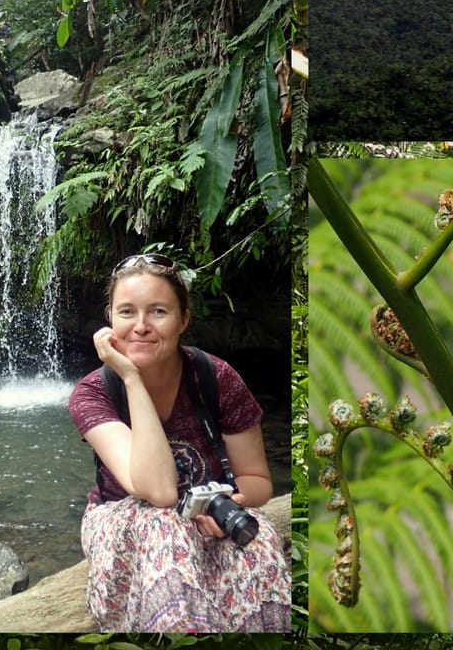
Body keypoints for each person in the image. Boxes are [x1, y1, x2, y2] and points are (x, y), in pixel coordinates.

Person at [68, 253, 289, 632]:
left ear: (183, 319)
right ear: (110, 320)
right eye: (127, 312)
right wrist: (131, 378)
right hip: (128, 518)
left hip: (211, 515)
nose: (141, 326)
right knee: (166, 529)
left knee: (259, 544)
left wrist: (229, 504)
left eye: (158, 312)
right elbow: (159, 492)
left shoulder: (216, 378)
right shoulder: (93, 393)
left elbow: (257, 481)